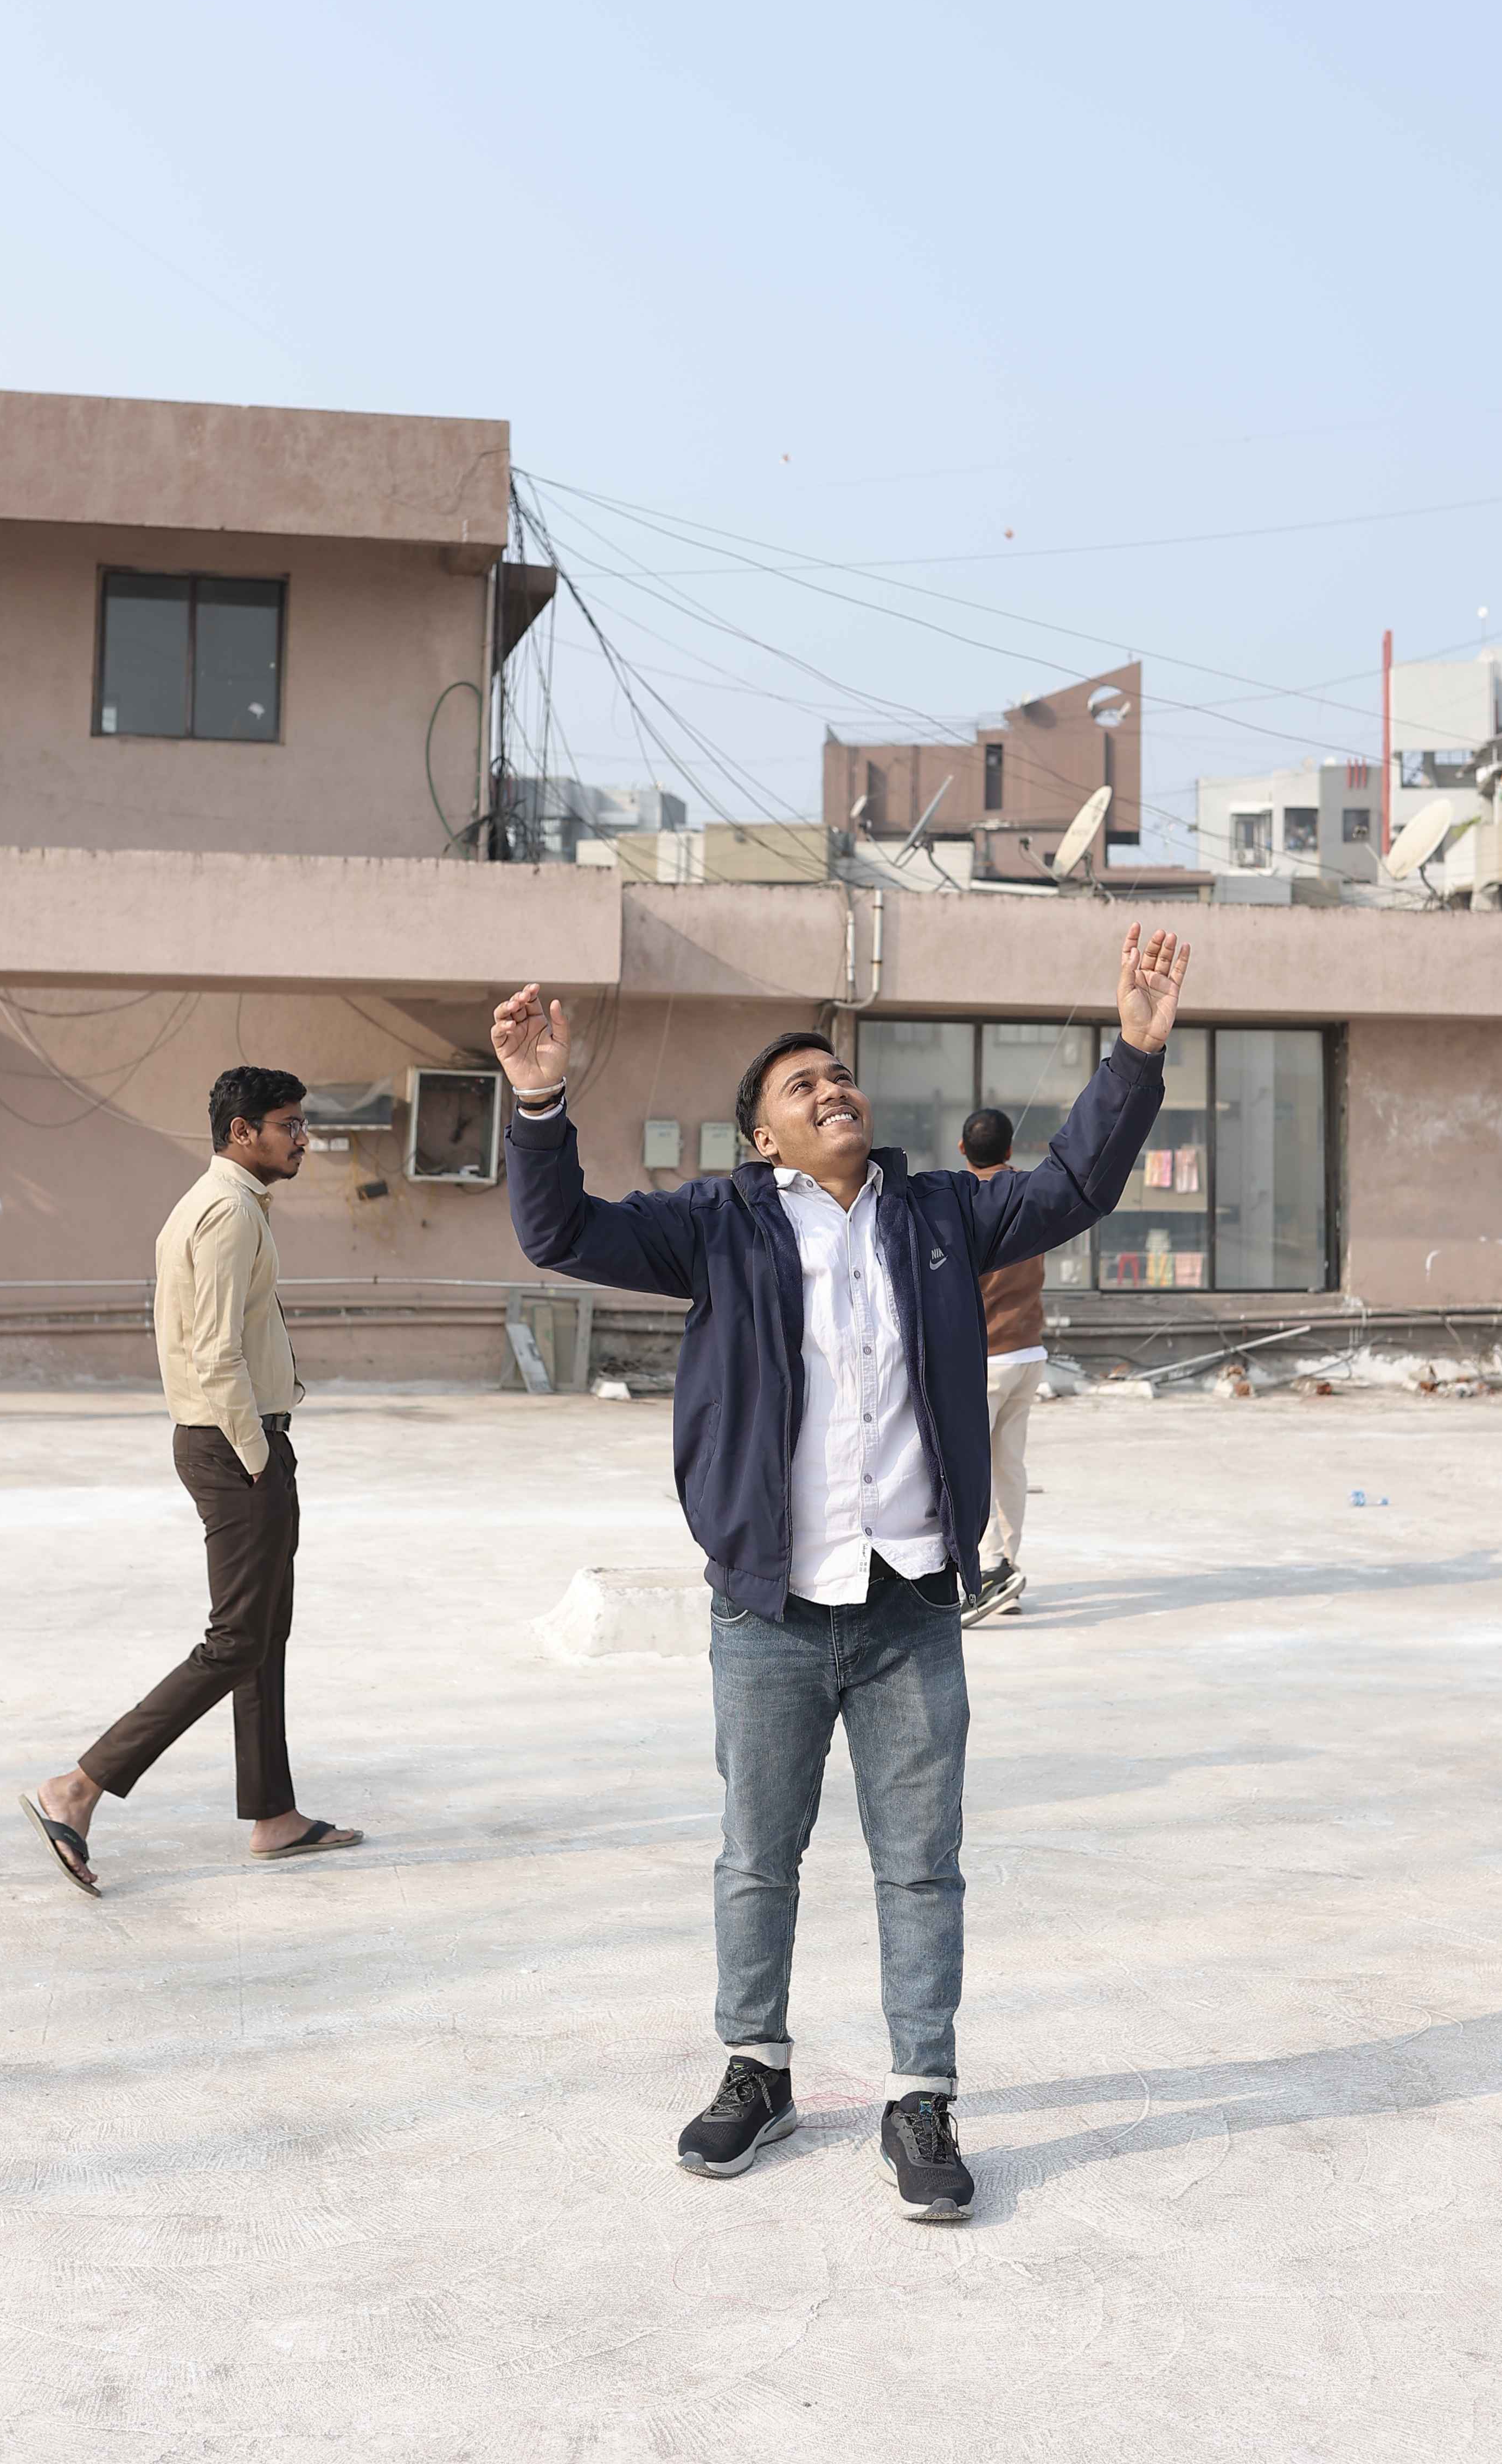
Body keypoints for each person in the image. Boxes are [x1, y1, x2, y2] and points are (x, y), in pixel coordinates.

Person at [496, 923, 1187, 2221]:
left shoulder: (939, 1215)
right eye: (801, 1085)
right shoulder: (717, 1226)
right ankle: (755, 2068)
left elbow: (1076, 1185)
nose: (832, 1090)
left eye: (840, 1075)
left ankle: (920, 2091)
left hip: (910, 1604)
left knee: (920, 1863)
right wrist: (541, 1102)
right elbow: (559, 1231)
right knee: (758, 1856)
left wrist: (1136, 1054)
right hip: (769, 1606)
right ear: (763, 1136)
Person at [17, 1067, 361, 1895]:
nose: (303, 1139)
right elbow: (215, 1350)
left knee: (262, 1634)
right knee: (236, 1640)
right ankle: (78, 1787)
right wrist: (257, 1457)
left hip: (235, 1441)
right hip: (233, 1446)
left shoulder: (221, 1203)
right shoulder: (228, 1211)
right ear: (243, 1132)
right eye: (288, 1125)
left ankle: (274, 1816)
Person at [956, 1106, 1045, 1628]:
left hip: (983, 1359)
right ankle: (1005, 1570)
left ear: (962, 1150)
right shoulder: (1032, 1194)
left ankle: (983, 1572)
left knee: (969, 1469)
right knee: (1009, 1466)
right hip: (1029, 1353)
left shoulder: (961, 1200)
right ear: (1010, 1150)